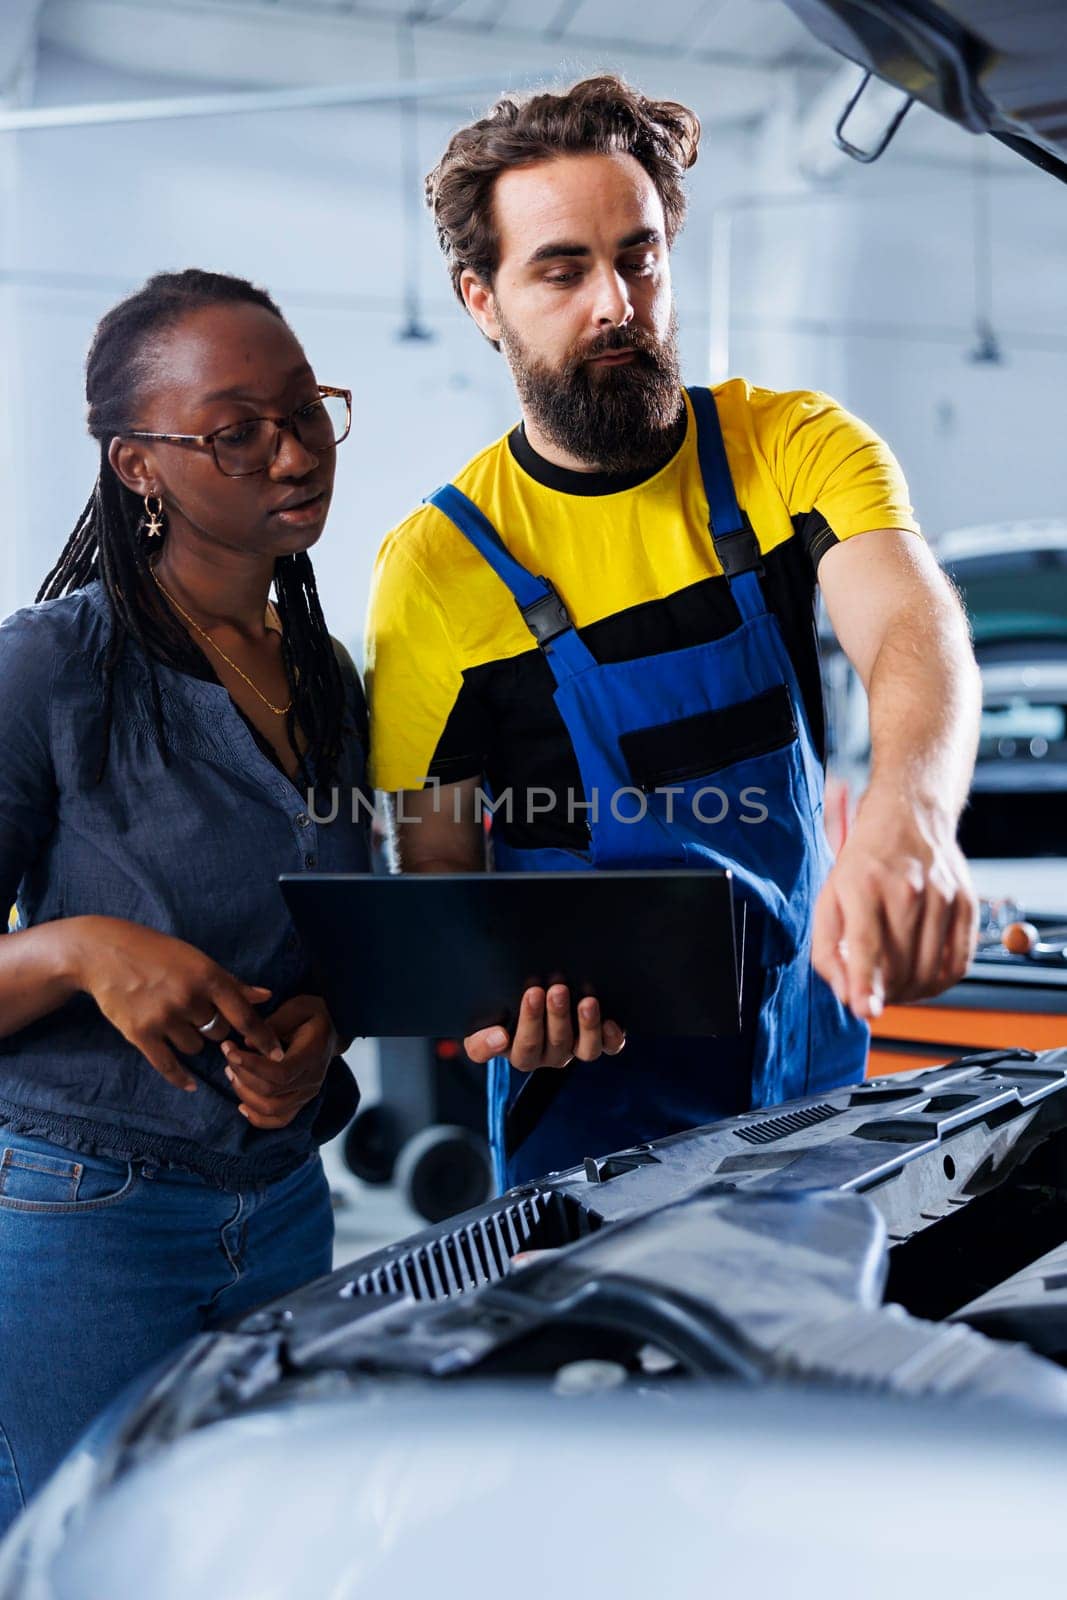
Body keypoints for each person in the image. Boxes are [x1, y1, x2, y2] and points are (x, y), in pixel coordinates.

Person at [364, 76, 981, 1191]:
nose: (615, 301)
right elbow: (438, 868)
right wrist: (492, 1005)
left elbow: (907, 624)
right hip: (594, 1107)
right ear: (479, 300)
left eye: (637, 256)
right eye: (560, 269)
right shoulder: (436, 568)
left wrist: (908, 818)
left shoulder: (788, 446)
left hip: (812, 1062)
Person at [0, 269, 369, 1534]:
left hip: (281, 1207)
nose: (292, 450)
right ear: (138, 465)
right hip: (75, 1223)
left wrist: (320, 1032)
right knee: (80, 1557)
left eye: (305, 410)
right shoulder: (48, 667)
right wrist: (77, 951)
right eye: (235, 430)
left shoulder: (326, 678)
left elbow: (334, 938)